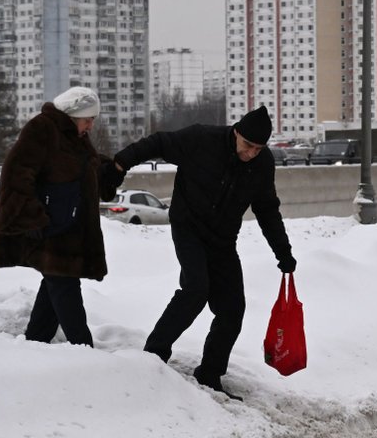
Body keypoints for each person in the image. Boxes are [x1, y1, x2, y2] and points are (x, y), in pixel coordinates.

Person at [112, 105, 296, 399]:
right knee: (196, 289)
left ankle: (210, 374)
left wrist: (282, 252)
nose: (251, 153)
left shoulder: (262, 165)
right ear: (236, 132)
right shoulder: (201, 139)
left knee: (233, 309)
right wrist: (121, 163)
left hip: (223, 240)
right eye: (247, 145)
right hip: (189, 229)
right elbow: (158, 143)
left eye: (258, 149)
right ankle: (153, 357)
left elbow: (267, 209)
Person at [0, 86, 123, 347]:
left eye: (93, 120)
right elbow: (15, 175)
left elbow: (84, 168)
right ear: (73, 115)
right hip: (49, 227)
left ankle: (35, 342)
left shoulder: (75, 136)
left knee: (55, 285)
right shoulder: (42, 129)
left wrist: (109, 170)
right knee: (64, 285)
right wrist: (31, 217)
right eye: (87, 119)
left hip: (68, 227)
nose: (91, 126)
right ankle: (84, 350)